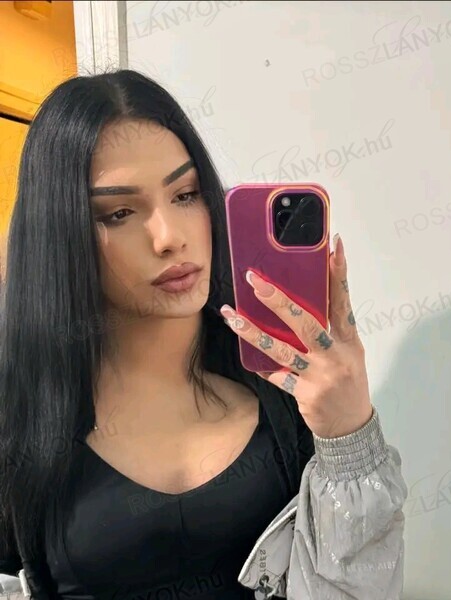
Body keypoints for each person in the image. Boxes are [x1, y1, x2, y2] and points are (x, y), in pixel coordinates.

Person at [0, 69, 408, 599]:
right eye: (119, 212)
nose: (169, 238)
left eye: (186, 194)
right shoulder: (20, 421)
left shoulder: (290, 401)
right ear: (60, 233)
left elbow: (361, 587)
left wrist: (349, 437)